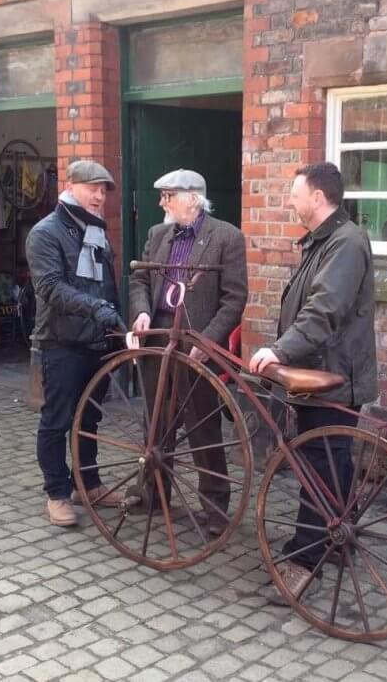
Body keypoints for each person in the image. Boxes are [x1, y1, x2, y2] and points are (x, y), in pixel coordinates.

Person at [249, 161, 377, 602]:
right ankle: (333, 542)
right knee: (326, 462)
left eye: (296, 193)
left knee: (320, 466)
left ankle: (307, 560)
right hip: (317, 373)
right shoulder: (326, 241)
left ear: (318, 197)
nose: (291, 200)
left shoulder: (344, 243)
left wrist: (281, 351)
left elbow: (324, 310)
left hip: (330, 376)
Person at [129, 169, 248, 536]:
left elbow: (234, 298)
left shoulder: (226, 236)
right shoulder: (158, 234)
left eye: (168, 196)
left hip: (197, 341)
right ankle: (153, 492)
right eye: (162, 196)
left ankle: (215, 507)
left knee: (202, 427)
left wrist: (206, 342)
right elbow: (138, 280)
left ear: (193, 198)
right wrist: (141, 311)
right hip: (159, 335)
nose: (162, 203)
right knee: (156, 422)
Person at [26, 160, 126, 528]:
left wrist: (115, 324)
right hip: (61, 342)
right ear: (70, 187)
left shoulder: (97, 231)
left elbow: (107, 286)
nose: (100, 196)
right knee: (57, 420)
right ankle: (57, 492)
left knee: (89, 418)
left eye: (104, 190)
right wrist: (98, 309)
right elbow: (51, 288)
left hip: (97, 342)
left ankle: (89, 484)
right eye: (93, 188)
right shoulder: (45, 233)